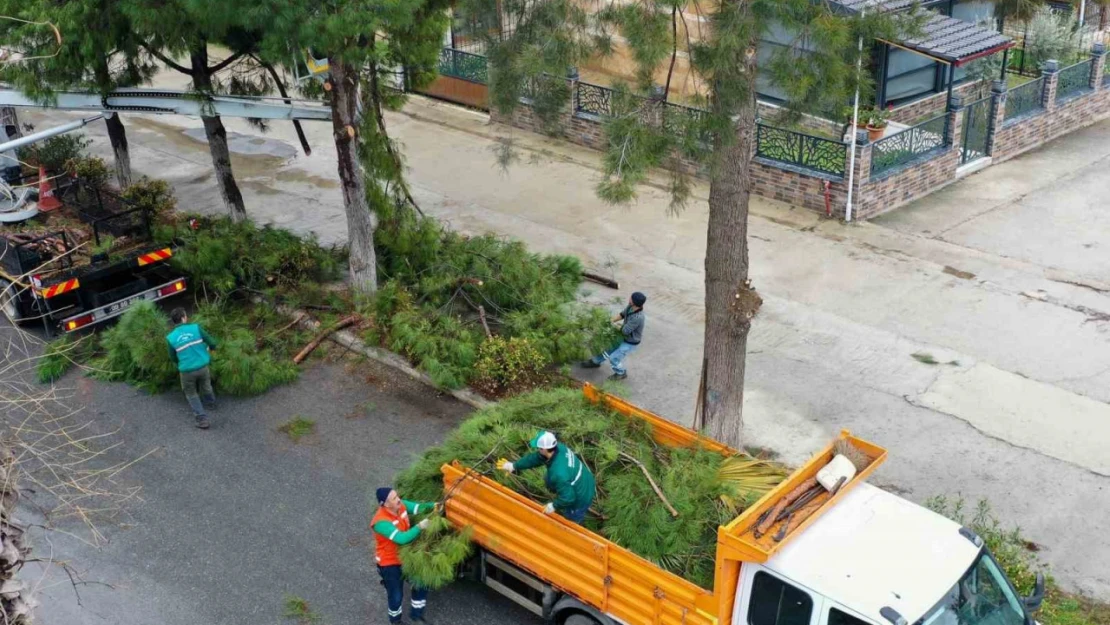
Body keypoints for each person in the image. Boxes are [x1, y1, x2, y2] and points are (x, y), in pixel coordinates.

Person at [497, 430, 595, 524]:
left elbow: (569, 498)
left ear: (544, 449)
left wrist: (554, 505)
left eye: (538, 447)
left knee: (570, 518)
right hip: (583, 477)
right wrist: (514, 466)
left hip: (582, 494)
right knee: (551, 479)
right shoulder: (559, 448)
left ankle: (570, 528)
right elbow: (535, 458)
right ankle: (561, 492)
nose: (537, 449)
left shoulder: (558, 473)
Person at [371, 487, 439, 624]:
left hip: (405, 556)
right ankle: (396, 621)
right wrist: (419, 526)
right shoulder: (380, 522)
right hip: (389, 563)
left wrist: (434, 506)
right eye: (394, 498)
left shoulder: (400, 505)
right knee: (396, 596)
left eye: (397, 496)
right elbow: (401, 539)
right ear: (385, 504)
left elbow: (418, 507)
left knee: (421, 582)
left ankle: (416, 615)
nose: (398, 500)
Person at [165, 308, 218, 429]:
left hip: (187, 371)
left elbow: (173, 357)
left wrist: (182, 363)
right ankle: (211, 403)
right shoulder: (196, 328)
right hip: (203, 366)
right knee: (206, 385)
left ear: (174, 322)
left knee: (191, 393)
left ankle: (202, 420)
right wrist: (210, 348)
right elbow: (212, 342)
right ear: (184, 318)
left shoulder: (171, 338)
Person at [581, 291, 646, 381]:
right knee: (608, 348)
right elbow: (622, 315)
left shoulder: (638, 317)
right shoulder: (630, 307)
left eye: (631, 298)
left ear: (634, 302)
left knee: (614, 358)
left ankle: (621, 372)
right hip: (623, 336)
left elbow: (625, 330)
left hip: (630, 341)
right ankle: (596, 362)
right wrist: (610, 320)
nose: (629, 298)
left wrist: (612, 325)